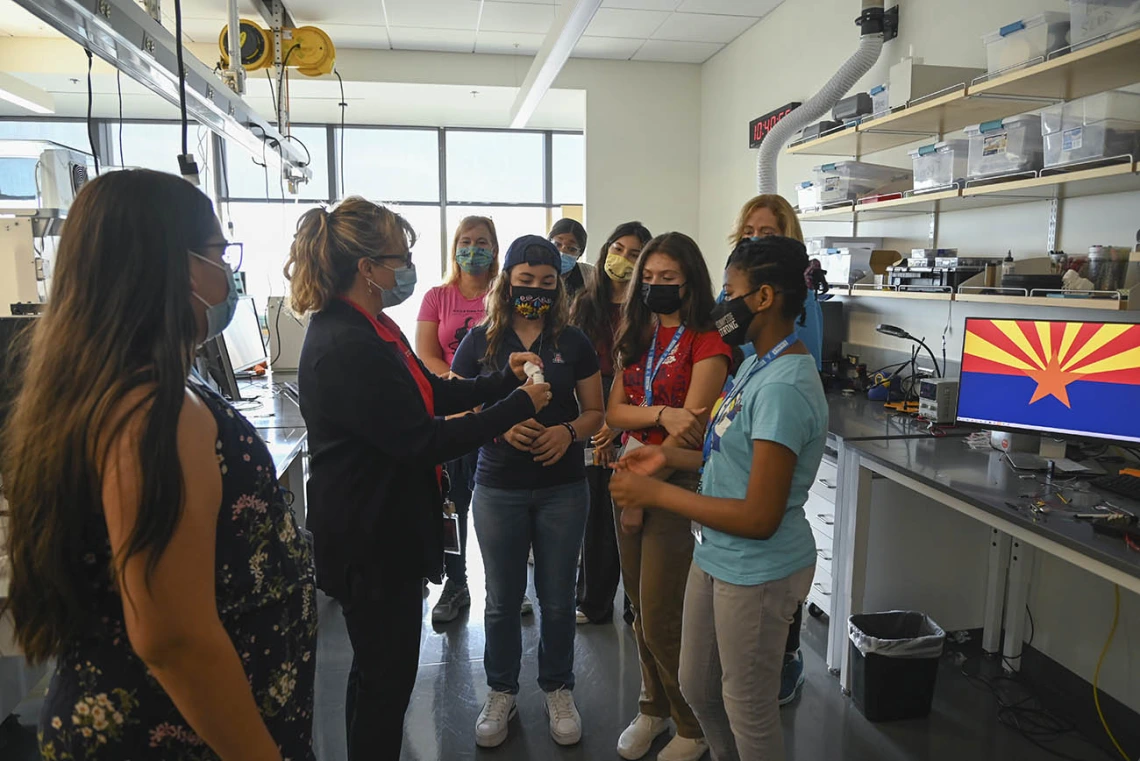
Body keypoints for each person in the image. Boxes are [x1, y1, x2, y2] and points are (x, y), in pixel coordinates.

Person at [0, 169, 318, 760]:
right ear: (172, 265)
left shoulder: (110, 385)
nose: (227, 273)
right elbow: (173, 636)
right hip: (177, 735)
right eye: (219, 253)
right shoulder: (155, 408)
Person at [285, 198, 552, 761]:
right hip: (370, 537)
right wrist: (517, 407)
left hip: (386, 526)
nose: (407, 268)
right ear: (367, 268)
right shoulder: (345, 344)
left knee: (378, 671)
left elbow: (432, 393)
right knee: (385, 681)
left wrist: (499, 382)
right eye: (400, 257)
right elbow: (422, 438)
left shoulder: (376, 326)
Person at [610, 235, 828, 761]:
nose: (719, 306)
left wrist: (655, 490)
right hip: (716, 555)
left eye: (730, 292)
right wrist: (665, 458)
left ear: (765, 297)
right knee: (699, 687)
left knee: (745, 706)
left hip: (756, 568)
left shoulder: (782, 386)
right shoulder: (756, 364)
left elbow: (758, 516)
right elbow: (724, 454)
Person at [451, 235, 605, 750]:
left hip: (563, 488)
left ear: (557, 285)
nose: (536, 289)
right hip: (498, 487)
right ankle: (501, 691)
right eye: (525, 279)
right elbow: (458, 407)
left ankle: (558, 688)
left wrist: (569, 433)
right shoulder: (482, 341)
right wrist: (499, 426)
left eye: (546, 281)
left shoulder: (574, 342)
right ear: (507, 279)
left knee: (558, 601)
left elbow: (596, 412)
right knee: (500, 601)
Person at [605, 232, 729, 761]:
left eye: (668, 280)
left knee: (661, 612)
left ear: (691, 282)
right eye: (648, 279)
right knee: (635, 606)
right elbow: (615, 412)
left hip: (674, 482)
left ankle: (692, 722)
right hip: (627, 472)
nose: (655, 287)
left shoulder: (709, 341)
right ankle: (652, 706)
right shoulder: (637, 333)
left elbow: (693, 429)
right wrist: (660, 413)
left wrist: (646, 483)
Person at [726, 193, 827, 705]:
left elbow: (800, 352)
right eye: (748, 230)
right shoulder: (736, 312)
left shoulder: (797, 313)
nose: (753, 237)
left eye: (765, 231)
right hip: (741, 408)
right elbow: (722, 341)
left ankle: (787, 656)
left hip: (769, 412)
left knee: (752, 697)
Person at [418, 215, 536, 624]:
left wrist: (484, 396)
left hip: (504, 411)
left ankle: (507, 584)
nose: (473, 248)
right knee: (454, 505)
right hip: (455, 415)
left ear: (495, 248)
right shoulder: (437, 296)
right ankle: (455, 583)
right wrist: (461, 386)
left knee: (504, 503)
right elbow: (427, 355)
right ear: (454, 247)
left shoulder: (506, 294)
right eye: (465, 241)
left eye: (482, 241)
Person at [569, 221, 652, 626]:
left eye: (634, 254)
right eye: (617, 249)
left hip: (635, 409)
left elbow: (645, 371)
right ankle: (593, 600)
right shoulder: (584, 304)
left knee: (631, 508)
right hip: (589, 404)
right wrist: (596, 423)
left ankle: (636, 602)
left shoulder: (649, 311)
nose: (622, 259)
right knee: (596, 511)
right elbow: (573, 365)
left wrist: (616, 427)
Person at [550, 217, 593, 298]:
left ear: (579, 254)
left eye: (571, 249)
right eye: (557, 244)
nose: (562, 252)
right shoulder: (536, 270)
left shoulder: (589, 275)